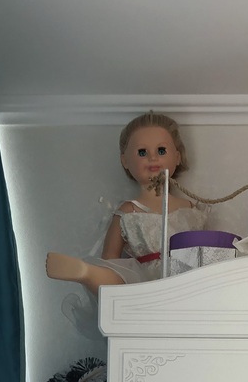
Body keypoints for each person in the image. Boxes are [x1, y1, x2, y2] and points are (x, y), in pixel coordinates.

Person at [45, 111, 206, 295]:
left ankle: (88, 273)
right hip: (142, 285)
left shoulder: (190, 208)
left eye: (161, 151)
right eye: (142, 152)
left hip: (186, 282)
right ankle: (86, 273)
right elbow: (110, 260)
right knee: (114, 276)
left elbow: (205, 253)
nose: (153, 158)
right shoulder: (128, 212)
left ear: (177, 157)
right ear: (125, 161)